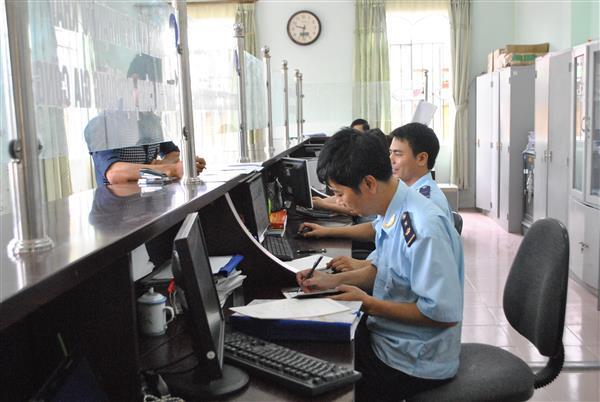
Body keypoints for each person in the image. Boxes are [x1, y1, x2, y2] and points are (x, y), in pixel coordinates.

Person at [295, 129, 464, 401]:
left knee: (324, 384)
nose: (339, 202)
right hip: (390, 336)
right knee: (312, 349)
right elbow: (381, 271)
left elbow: (442, 315)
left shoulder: (422, 226)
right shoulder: (393, 209)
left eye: (340, 194)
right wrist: (329, 282)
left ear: (370, 184)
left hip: (415, 360)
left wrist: (369, 304)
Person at [300, 122, 452, 272]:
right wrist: (326, 232)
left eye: (398, 154)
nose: (390, 159)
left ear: (421, 159)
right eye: (390, 152)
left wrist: (362, 268)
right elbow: (377, 228)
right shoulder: (404, 191)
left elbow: (407, 271)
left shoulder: (425, 204)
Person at [85, 53, 206, 185]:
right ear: (134, 82)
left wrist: (160, 167)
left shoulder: (152, 121)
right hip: (119, 204)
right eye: (152, 92)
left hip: (150, 200)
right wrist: (171, 169)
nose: (155, 100)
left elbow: (173, 153)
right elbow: (114, 173)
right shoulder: (102, 124)